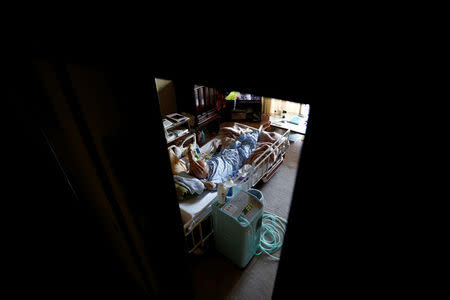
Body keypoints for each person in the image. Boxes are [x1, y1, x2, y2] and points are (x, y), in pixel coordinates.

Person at [188, 123, 268, 190]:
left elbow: (195, 162)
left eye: (203, 163)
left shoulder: (205, 166)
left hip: (227, 152)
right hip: (236, 159)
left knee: (241, 139)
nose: (200, 165)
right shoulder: (213, 179)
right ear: (205, 176)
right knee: (250, 141)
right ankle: (261, 127)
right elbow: (211, 185)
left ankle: (259, 130)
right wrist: (200, 181)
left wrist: (191, 158)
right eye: (202, 168)